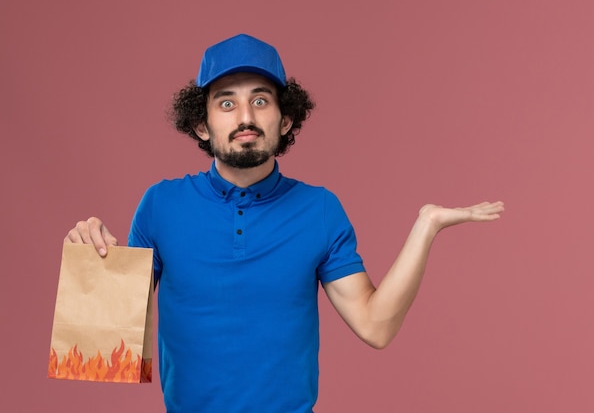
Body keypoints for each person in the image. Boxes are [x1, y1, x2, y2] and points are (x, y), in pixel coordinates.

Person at [64, 34, 504, 413]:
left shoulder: (319, 209)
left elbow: (376, 327)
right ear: (202, 125)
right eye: (226, 103)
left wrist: (426, 227)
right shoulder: (160, 204)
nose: (245, 118)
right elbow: (114, 340)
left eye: (260, 100)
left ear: (285, 119)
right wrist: (95, 264)